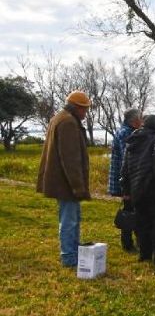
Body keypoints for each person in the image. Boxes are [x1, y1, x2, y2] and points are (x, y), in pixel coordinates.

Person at [36, 90, 92, 268]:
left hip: (61, 179)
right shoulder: (68, 122)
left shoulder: (59, 118)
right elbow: (70, 159)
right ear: (77, 107)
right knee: (70, 220)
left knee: (70, 217)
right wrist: (78, 187)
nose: (86, 113)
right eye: (84, 109)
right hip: (66, 182)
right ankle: (69, 256)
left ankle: (73, 250)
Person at [120, 114, 155, 264]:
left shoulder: (133, 140)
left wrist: (126, 190)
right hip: (154, 187)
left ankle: (144, 254)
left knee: (142, 221)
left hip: (136, 186)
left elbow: (125, 168)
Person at [109, 108, 143, 253]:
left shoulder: (124, 131)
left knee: (130, 209)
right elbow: (126, 160)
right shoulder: (126, 133)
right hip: (126, 180)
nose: (142, 122)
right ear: (134, 121)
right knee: (130, 210)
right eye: (140, 119)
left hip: (125, 179)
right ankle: (128, 243)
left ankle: (132, 242)